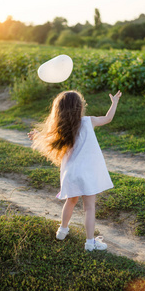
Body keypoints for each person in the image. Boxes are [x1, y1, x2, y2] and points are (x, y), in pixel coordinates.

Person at [28, 90, 122, 251]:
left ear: (59, 110)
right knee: (89, 208)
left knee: (71, 201)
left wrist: (37, 136)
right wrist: (114, 103)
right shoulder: (88, 121)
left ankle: (62, 230)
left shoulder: (61, 128)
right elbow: (108, 118)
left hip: (71, 174)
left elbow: (48, 141)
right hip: (88, 173)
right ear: (80, 107)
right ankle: (90, 243)